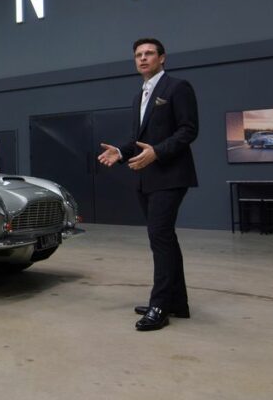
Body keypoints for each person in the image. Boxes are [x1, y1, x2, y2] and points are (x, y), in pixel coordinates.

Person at [97, 38, 198, 331]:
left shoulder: (177, 87)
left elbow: (189, 130)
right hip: (146, 177)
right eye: (138, 55)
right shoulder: (139, 95)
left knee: (160, 237)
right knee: (164, 239)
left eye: (149, 53)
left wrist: (158, 151)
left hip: (170, 175)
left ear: (162, 58)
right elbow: (138, 138)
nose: (143, 58)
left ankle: (160, 306)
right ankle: (176, 302)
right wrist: (120, 151)